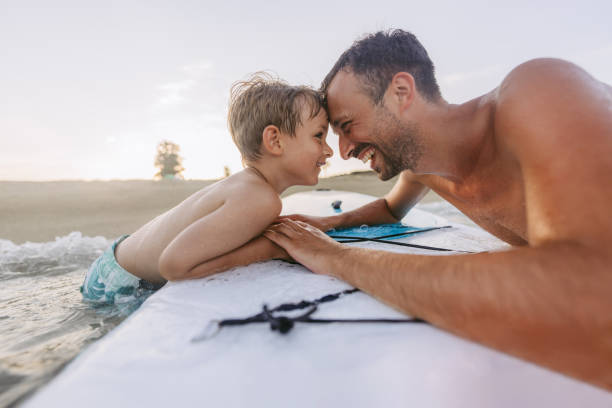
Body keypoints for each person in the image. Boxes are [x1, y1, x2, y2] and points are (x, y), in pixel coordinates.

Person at [264, 30, 612, 390]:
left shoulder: (539, 93)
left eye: (347, 126)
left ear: (401, 92)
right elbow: (388, 208)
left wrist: (337, 259)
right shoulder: (423, 169)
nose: (343, 150)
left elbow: (594, 295)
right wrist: (326, 224)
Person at [81, 73, 332, 304]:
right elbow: (174, 266)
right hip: (120, 285)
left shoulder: (247, 186)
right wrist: (272, 250)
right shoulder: (260, 199)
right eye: (318, 136)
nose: (329, 150)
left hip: (114, 263)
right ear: (275, 141)